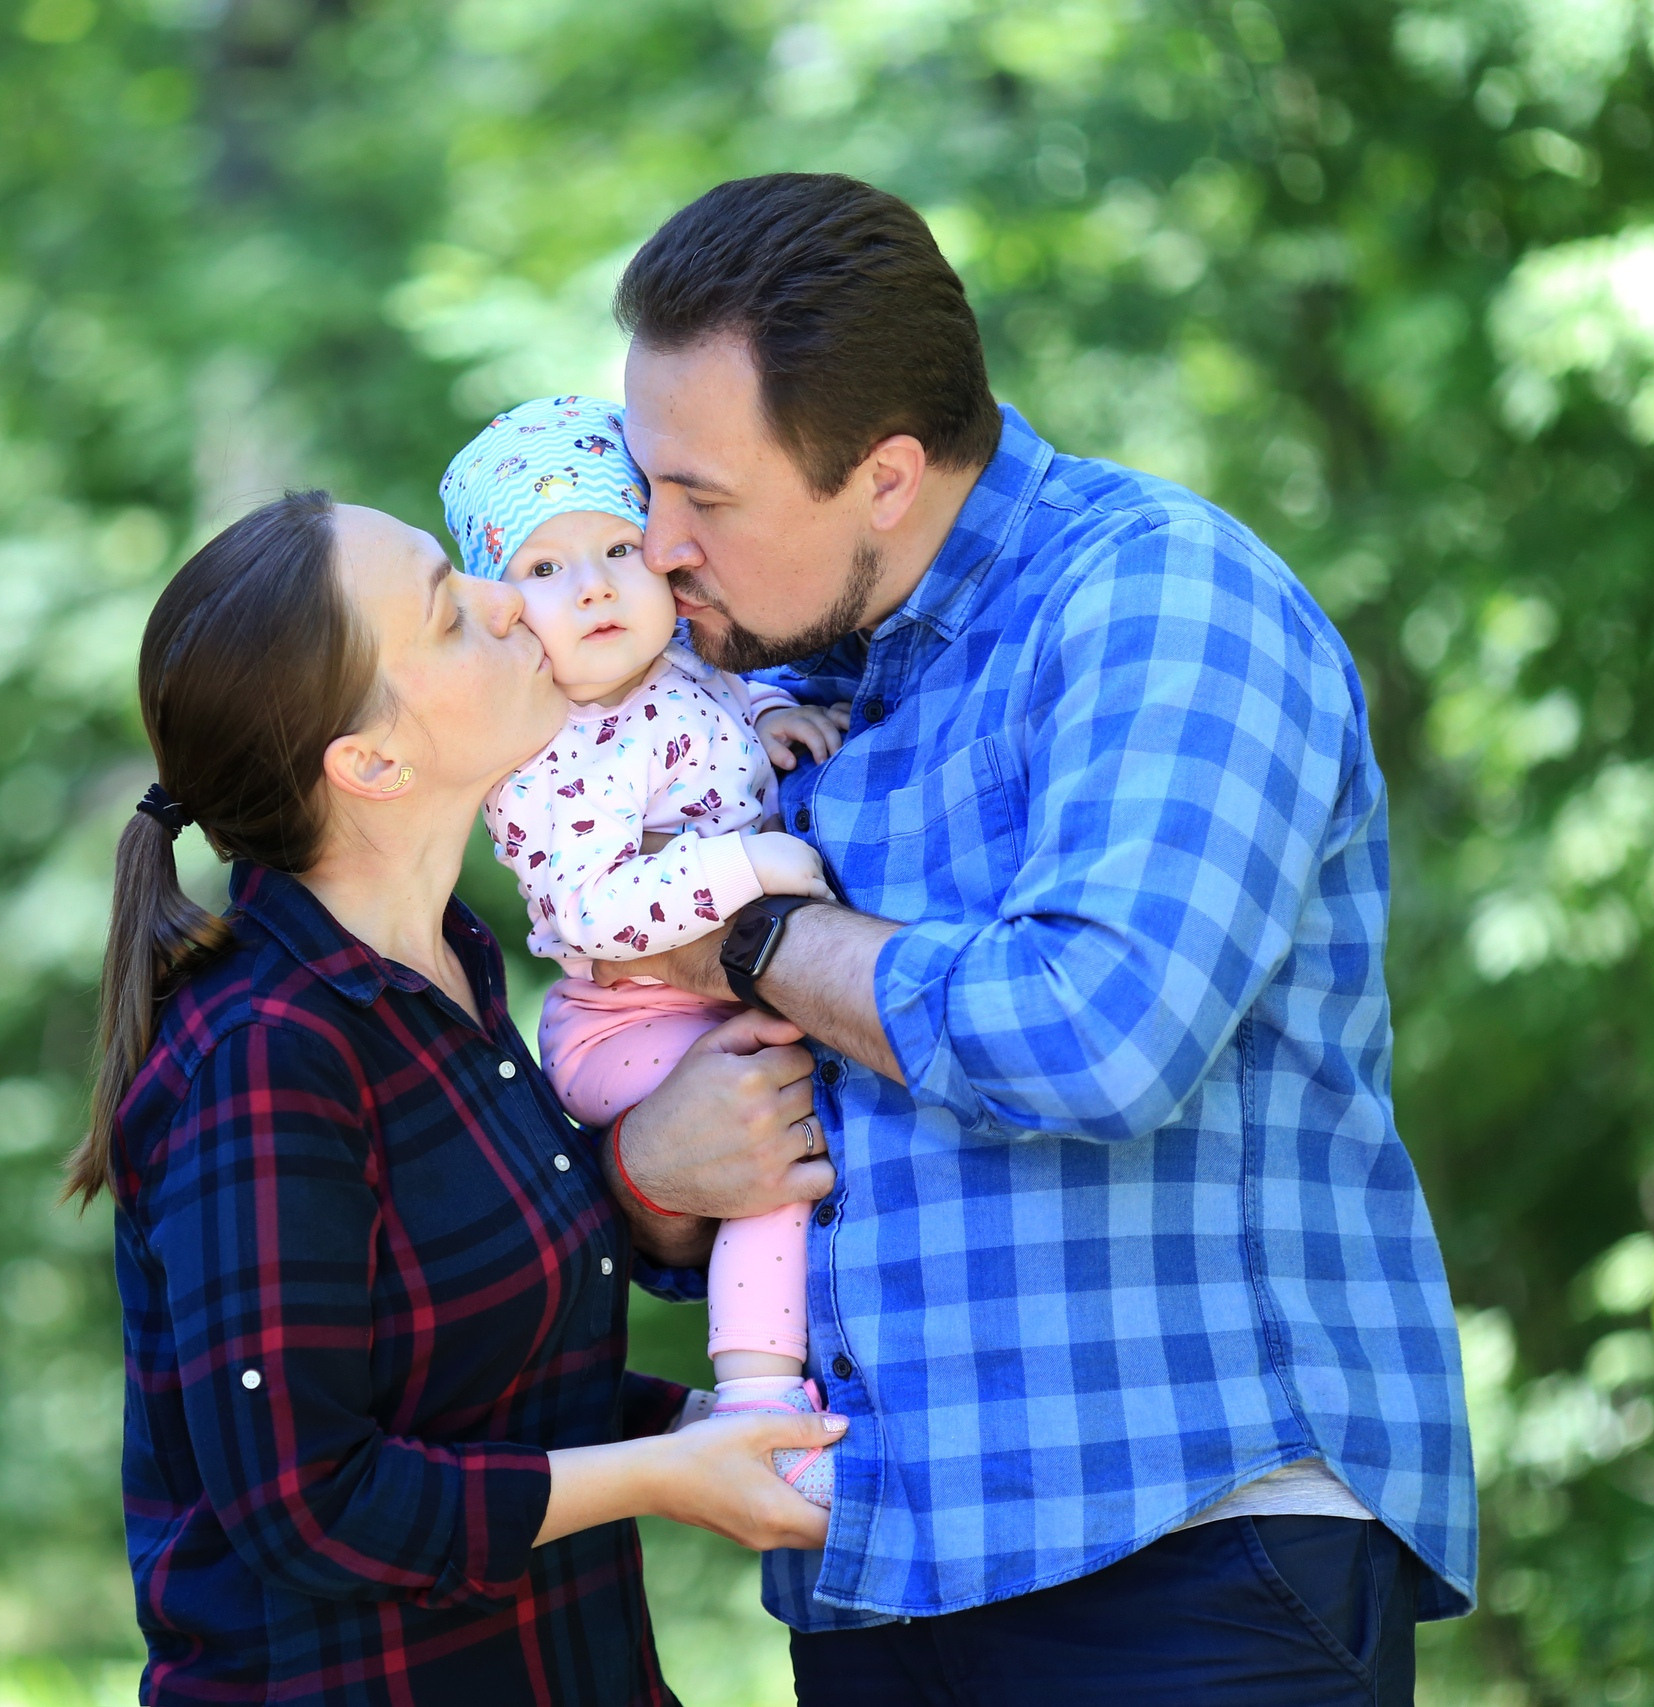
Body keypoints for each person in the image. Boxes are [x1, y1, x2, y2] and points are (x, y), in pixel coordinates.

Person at [595, 173, 1476, 1703]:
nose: (652, 544)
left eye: (705, 500)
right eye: (643, 480)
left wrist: (750, 940)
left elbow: (1100, 1030)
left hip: (1189, 1564)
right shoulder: (761, 683)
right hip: (893, 1569)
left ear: (884, 474)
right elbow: (755, 1141)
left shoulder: (1157, 598)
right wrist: (655, 1172)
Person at [67, 489, 844, 1705]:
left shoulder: (458, 966)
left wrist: (705, 1420)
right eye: (448, 612)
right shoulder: (262, 1051)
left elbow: (482, 1392)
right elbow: (311, 1507)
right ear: (369, 761)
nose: (509, 600)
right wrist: (666, 1473)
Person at [439, 393, 851, 1505]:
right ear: (504, 610)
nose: (594, 586)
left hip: (699, 996)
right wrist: (747, 872)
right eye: (545, 568)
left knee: (803, 1115)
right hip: (622, 1026)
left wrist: (767, 718)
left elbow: (719, 721)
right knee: (769, 1155)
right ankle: (762, 1400)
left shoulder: (681, 670)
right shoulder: (540, 756)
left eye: (620, 546)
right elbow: (593, 913)